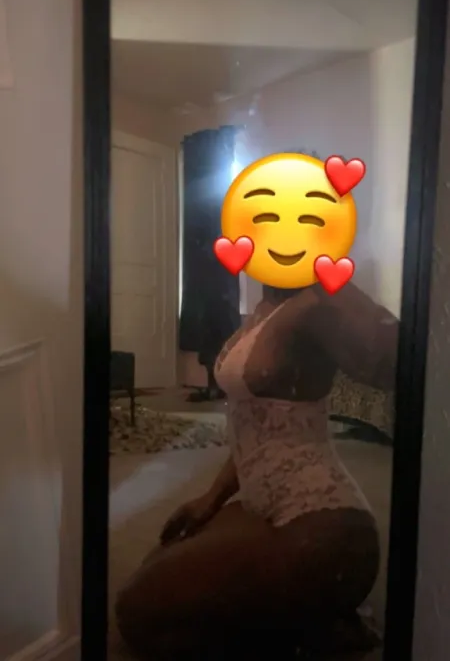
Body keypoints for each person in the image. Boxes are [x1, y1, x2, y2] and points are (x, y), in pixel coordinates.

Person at [115, 281, 398, 659]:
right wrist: (211, 498)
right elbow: (257, 430)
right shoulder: (266, 304)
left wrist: (333, 281)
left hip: (324, 521)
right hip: (262, 502)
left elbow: (394, 362)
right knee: (154, 569)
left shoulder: (318, 300)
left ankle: (310, 622)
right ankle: (309, 620)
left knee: (139, 614)